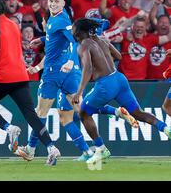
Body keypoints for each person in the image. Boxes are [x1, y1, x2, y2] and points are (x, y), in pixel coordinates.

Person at [20, 0, 124, 162]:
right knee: (80, 110)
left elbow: (74, 40)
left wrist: (70, 59)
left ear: (63, 3)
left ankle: (31, 148)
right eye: (51, 1)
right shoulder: (57, 19)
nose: (53, 3)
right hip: (65, 74)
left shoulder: (60, 20)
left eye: (56, 1)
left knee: (41, 113)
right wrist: (43, 39)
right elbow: (58, 39)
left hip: (54, 73)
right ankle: (100, 146)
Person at [72, 18, 171, 165]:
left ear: (79, 32)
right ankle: (165, 128)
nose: (72, 32)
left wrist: (79, 91)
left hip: (105, 84)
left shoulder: (83, 45)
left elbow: (88, 68)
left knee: (83, 113)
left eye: (73, 30)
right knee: (137, 113)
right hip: (119, 79)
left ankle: (101, 149)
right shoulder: (102, 39)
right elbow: (118, 56)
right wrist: (103, 58)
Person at [0, 0, 61, 166]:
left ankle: (9, 128)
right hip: (21, 74)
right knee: (31, 115)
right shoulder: (14, 25)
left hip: (3, 76)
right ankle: (51, 148)